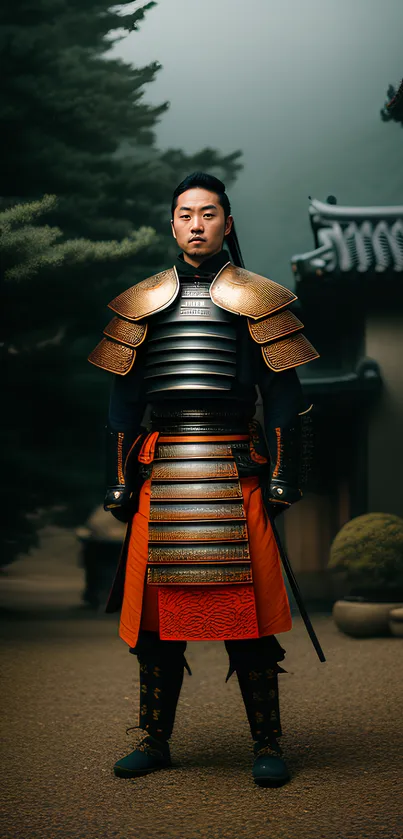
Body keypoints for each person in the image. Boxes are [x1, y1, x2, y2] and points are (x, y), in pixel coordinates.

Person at [88, 172, 319, 786]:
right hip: (162, 474)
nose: (197, 224)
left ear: (228, 223)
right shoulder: (139, 302)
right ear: (172, 224)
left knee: (247, 617)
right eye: (186, 214)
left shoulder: (260, 298)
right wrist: (118, 481)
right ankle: (155, 738)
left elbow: (284, 398)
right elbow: (122, 405)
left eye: (209, 213)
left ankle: (268, 743)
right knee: (155, 625)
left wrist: (285, 477)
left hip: (233, 467)